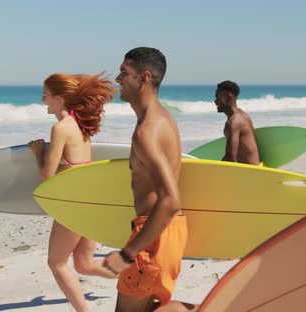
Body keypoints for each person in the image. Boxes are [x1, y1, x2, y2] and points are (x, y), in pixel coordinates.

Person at [102, 47, 195, 312]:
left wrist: (127, 253)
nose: (118, 79)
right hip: (167, 232)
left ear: (143, 78)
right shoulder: (162, 118)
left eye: (124, 73)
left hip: (152, 233)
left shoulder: (148, 130)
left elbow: (170, 200)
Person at [28, 73, 118, 312]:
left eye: (46, 95)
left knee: (56, 263)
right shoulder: (81, 124)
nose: (43, 100)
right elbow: (73, 164)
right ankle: (138, 276)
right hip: (91, 200)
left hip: (74, 204)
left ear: (58, 98)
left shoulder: (61, 128)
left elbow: (48, 175)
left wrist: (38, 154)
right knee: (84, 264)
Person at [214, 80, 261, 165]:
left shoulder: (234, 122)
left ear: (228, 97)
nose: (215, 101)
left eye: (218, 97)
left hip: (249, 172)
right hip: (257, 167)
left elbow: (231, 159)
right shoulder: (243, 115)